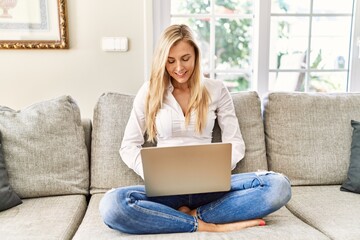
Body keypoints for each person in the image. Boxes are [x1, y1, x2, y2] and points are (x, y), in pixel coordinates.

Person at [99, 24, 291, 234]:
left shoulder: (216, 90)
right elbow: (128, 146)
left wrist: (216, 171)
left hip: (211, 190)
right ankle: (205, 225)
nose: (179, 68)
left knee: (278, 185)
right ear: (162, 61)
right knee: (113, 205)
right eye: (171, 61)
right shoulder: (149, 91)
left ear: (196, 57)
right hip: (164, 193)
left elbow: (235, 143)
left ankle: (191, 216)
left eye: (185, 58)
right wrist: (152, 175)